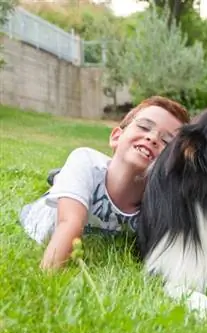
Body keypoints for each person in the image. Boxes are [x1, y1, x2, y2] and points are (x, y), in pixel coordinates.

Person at [19, 96, 189, 270]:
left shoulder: (161, 204)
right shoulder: (85, 160)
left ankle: (62, 177)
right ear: (116, 137)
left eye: (167, 142)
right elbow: (69, 223)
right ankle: (61, 178)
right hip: (42, 213)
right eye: (144, 127)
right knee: (79, 176)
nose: (152, 138)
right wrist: (48, 279)